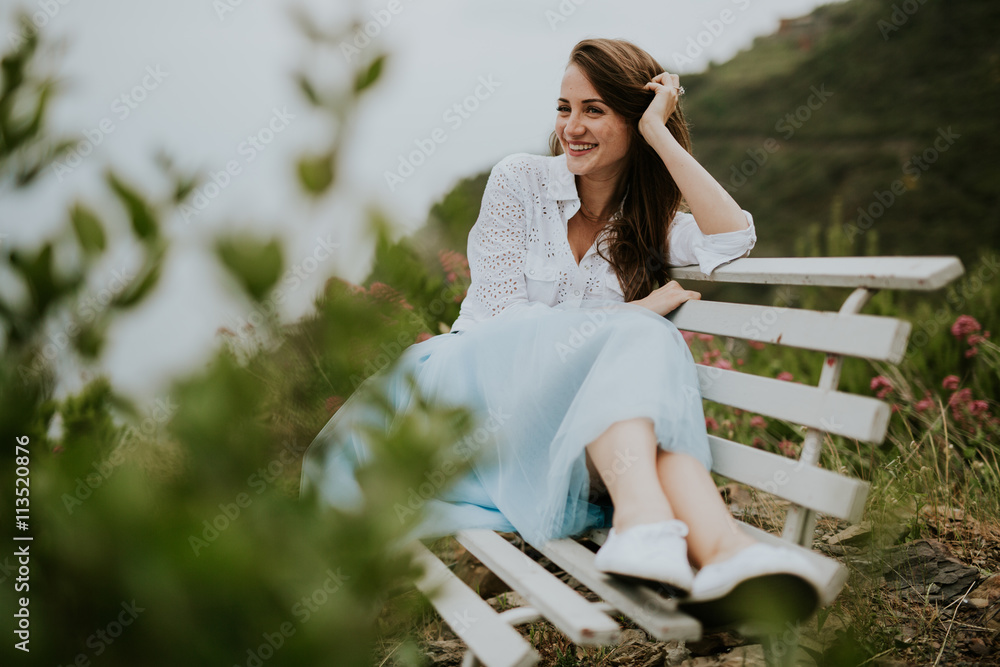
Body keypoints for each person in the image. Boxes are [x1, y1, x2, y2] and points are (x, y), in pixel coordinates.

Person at [300, 38, 824, 631]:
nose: (571, 126)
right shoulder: (519, 182)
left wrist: (661, 135)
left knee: (641, 356)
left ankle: (701, 549)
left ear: (633, 121)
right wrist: (631, 316)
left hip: (558, 416)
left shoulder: (648, 221)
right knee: (644, 336)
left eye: (595, 110)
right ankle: (704, 544)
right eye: (563, 108)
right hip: (465, 388)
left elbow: (731, 239)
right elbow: (499, 318)